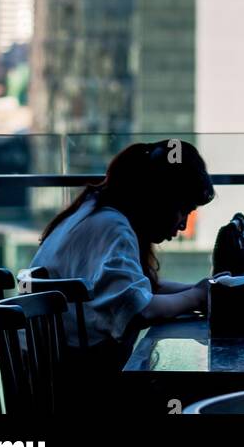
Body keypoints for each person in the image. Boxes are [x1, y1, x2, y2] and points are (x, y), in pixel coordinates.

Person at [25, 139, 217, 377]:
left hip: (50, 375)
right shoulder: (111, 226)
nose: (183, 225)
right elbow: (138, 309)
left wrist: (201, 290)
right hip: (76, 385)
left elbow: (139, 290)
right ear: (159, 198)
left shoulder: (92, 213)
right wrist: (196, 297)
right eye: (184, 209)